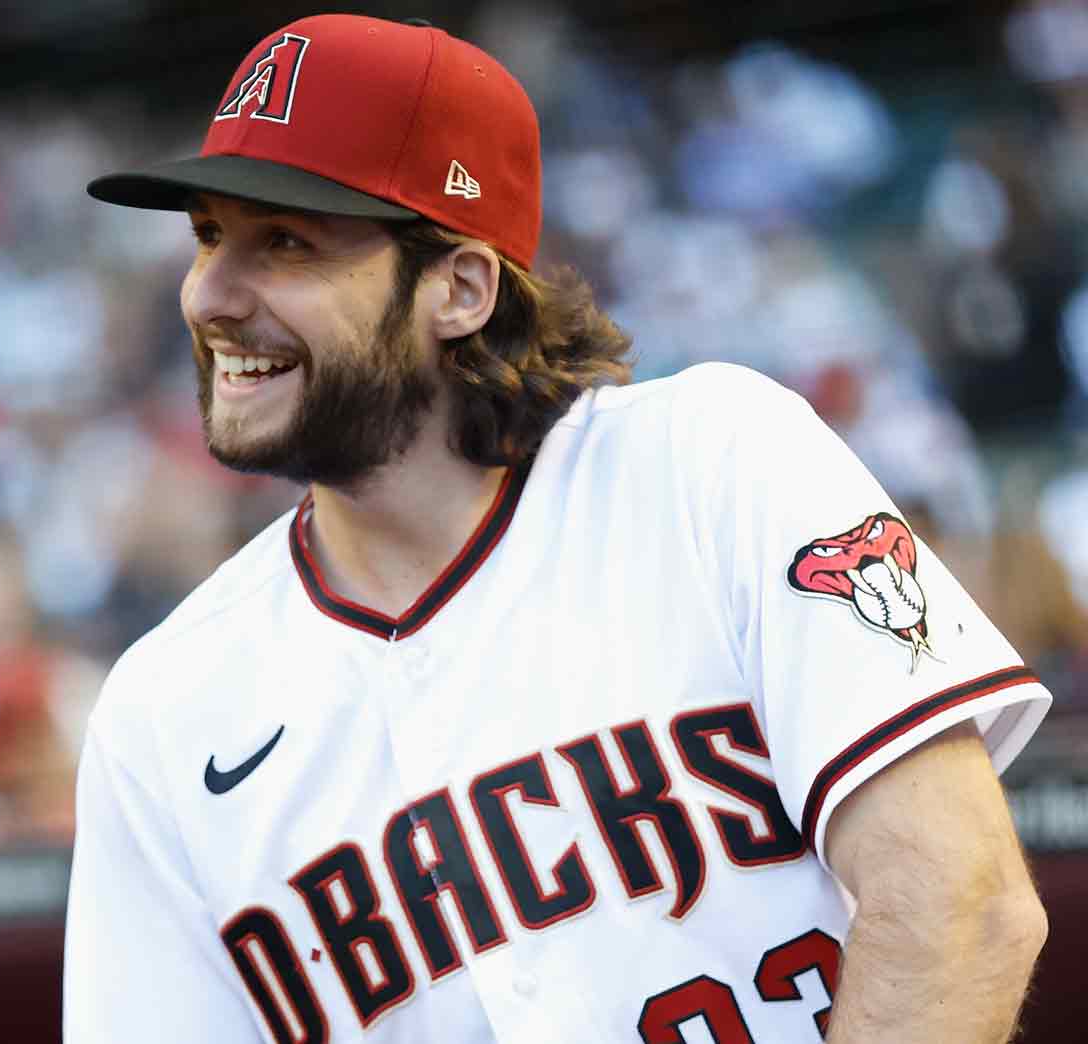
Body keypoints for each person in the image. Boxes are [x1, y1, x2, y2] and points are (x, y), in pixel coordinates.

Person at [64, 14, 1049, 1043]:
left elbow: (961, 908)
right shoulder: (161, 714)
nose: (208, 295)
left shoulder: (711, 465)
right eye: (209, 236)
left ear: (458, 287)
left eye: (285, 243)